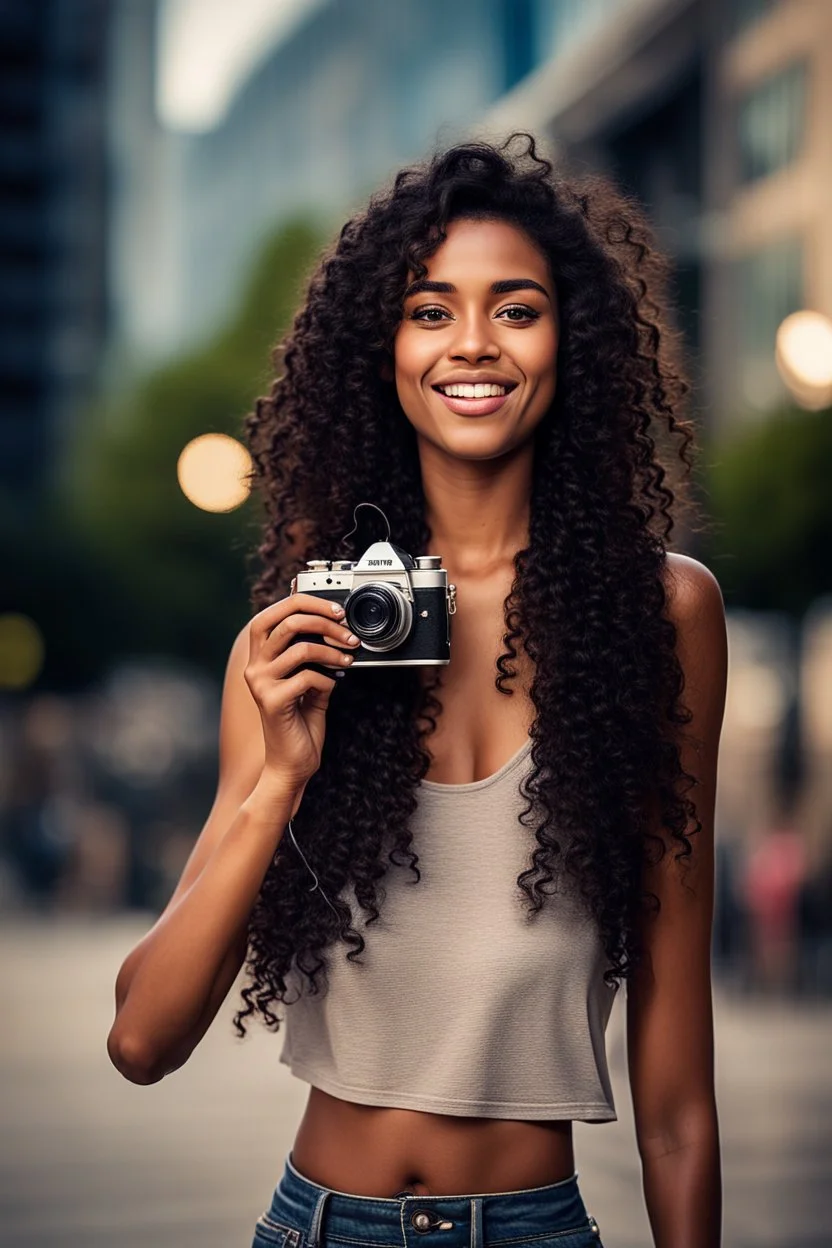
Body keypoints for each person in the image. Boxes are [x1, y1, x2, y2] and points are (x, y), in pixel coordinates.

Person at [107, 133, 727, 1248]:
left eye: (516, 308)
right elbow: (142, 1042)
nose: (473, 345)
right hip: (317, 1224)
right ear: (380, 348)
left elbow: (677, 1097)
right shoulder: (300, 641)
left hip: (536, 1225)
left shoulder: (663, 618)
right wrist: (277, 781)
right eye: (430, 309)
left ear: (570, 341)